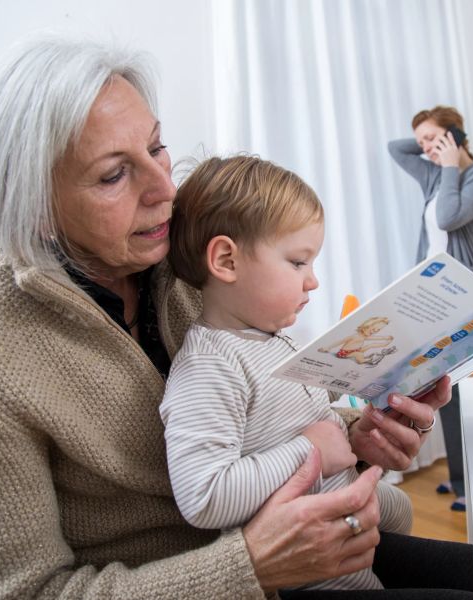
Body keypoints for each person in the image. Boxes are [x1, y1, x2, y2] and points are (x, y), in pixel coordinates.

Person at [0, 35, 473, 599]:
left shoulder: (185, 254)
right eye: (113, 175)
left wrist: (362, 437)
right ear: (34, 208)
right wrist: (250, 567)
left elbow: (265, 415)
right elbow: (15, 593)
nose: (165, 189)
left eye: (156, 148)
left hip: (314, 552)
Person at [162, 155, 412, 592]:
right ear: (226, 260)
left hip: (352, 555)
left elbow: (317, 430)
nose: (313, 281)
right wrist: (308, 450)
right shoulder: (210, 366)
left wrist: (364, 431)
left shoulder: (274, 341)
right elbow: (204, 496)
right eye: (298, 263)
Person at [388, 105, 473, 512]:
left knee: (465, 390)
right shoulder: (433, 172)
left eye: (432, 138)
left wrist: (452, 159)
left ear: (454, 136)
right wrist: (431, 145)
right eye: (422, 141)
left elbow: (448, 215)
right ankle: (461, 480)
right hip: (433, 297)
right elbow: (396, 149)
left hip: (466, 295)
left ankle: (471, 484)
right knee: (446, 391)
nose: (424, 148)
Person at [318, 316, 397, 366]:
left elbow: (376, 338)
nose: (374, 332)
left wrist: (385, 338)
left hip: (356, 350)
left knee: (370, 345)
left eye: (377, 330)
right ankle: (362, 360)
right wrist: (328, 347)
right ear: (366, 326)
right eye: (373, 329)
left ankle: (385, 344)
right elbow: (340, 341)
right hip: (344, 353)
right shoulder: (355, 336)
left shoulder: (364, 337)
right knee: (358, 354)